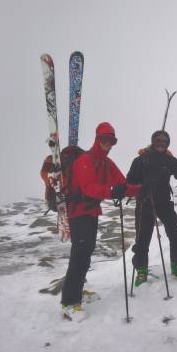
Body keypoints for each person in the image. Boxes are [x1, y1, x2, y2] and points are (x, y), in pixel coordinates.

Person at [60, 122, 140, 321]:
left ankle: (78, 290)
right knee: (80, 254)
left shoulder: (107, 163)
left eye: (111, 140)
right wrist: (111, 192)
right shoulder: (84, 160)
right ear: (97, 139)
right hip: (78, 212)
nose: (107, 143)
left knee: (86, 252)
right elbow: (89, 187)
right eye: (104, 139)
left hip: (92, 211)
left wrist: (141, 189)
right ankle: (69, 302)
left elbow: (123, 184)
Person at [126, 130, 177, 287]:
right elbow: (129, 182)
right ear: (153, 141)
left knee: (175, 234)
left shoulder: (170, 160)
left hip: (164, 202)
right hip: (144, 203)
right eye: (158, 141)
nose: (161, 144)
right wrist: (141, 186)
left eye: (164, 141)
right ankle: (141, 270)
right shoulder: (140, 160)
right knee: (142, 240)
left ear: (168, 143)